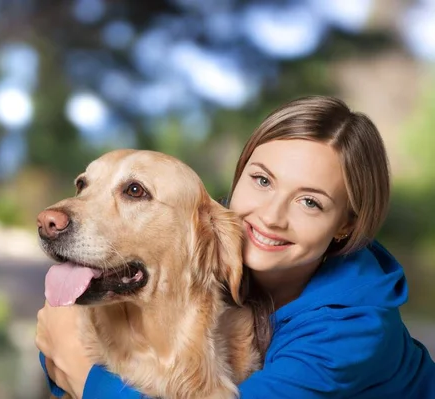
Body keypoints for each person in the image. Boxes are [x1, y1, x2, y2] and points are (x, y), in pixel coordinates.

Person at [35, 95, 435, 398]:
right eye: (262, 180)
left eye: (310, 202)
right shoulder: (212, 236)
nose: (271, 216)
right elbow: (55, 340)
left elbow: (69, 359)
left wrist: (83, 372)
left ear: (346, 226)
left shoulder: (349, 333)